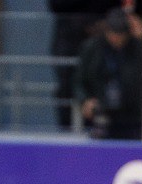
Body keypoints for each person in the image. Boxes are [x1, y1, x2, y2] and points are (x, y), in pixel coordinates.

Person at [48, 0, 121, 130]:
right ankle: (67, 130)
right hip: (68, 38)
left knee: (103, 81)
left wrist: (101, 22)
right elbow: (57, 5)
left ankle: (102, 128)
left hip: (101, 34)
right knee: (66, 87)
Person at [75, 7, 142, 140]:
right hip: (100, 111)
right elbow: (78, 80)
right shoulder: (91, 48)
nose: (116, 39)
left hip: (131, 115)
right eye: (113, 34)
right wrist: (85, 100)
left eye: (121, 35)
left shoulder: (137, 48)